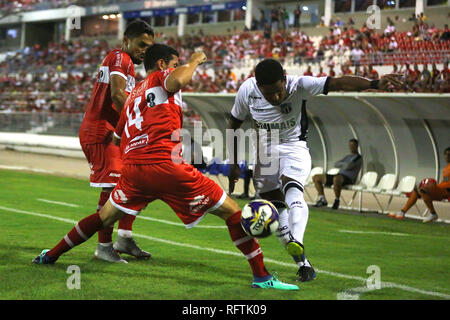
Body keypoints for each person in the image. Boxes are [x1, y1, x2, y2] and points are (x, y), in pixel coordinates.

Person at [33, 45, 299, 291]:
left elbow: (117, 136)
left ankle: (50, 255)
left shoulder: (133, 93)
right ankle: (262, 277)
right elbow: (179, 80)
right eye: (175, 63)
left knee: (103, 218)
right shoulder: (162, 78)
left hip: (134, 169)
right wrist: (195, 60)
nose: (178, 67)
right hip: (165, 164)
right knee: (232, 212)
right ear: (162, 64)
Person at [227, 58, 403, 282]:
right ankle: (303, 264)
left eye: (278, 91)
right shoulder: (247, 90)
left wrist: (375, 84)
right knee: (278, 209)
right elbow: (233, 122)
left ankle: (297, 240)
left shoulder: (299, 85)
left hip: (294, 147)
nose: (275, 98)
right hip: (264, 153)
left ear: (284, 79)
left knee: (293, 189)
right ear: (258, 86)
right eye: (268, 93)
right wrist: (233, 163)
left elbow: (338, 83)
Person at [78, 19, 154, 262]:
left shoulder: (128, 63)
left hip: (110, 132)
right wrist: (137, 126)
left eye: (148, 46)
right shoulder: (121, 58)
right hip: (103, 133)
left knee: (135, 182)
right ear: (126, 40)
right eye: (141, 44)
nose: (145, 49)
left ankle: (124, 237)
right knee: (113, 190)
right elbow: (117, 94)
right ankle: (103, 247)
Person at [388, 147, 450, 223]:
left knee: (423, 190)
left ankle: (433, 214)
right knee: (417, 191)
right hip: (441, 189)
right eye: (446, 155)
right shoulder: (446, 168)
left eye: (449, 155)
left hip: (447, 191)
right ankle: (402, 212)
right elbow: (445, 181)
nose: (447, 157)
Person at [313, 139, 363, 210]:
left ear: (356, 146)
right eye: (350, 146)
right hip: (339, 175)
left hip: (348, 178)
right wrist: (344, 164)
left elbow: (348, 166)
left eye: (353, 146)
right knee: (316, 177)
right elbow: (336, 164)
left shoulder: (358, 158)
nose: (351, 147)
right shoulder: (348, 157)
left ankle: (337, 200)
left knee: (336, 178)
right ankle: (322, 199)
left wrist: (343, 165)